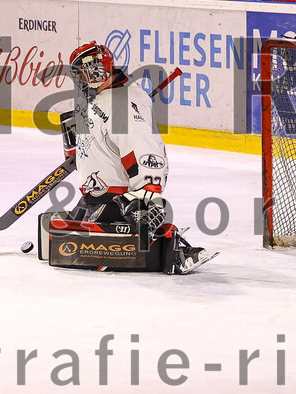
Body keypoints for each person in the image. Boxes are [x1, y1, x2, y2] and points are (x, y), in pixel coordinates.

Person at [60, 42, 216, 274]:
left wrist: (146, 195)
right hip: (95, 197)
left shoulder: (122, 104)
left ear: (95, 71)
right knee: (61, 233)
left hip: (113, 202)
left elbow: (144, 148)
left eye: (81, 73)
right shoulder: (105, 96)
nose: (80, 80)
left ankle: (166, 245)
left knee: (68, 245)